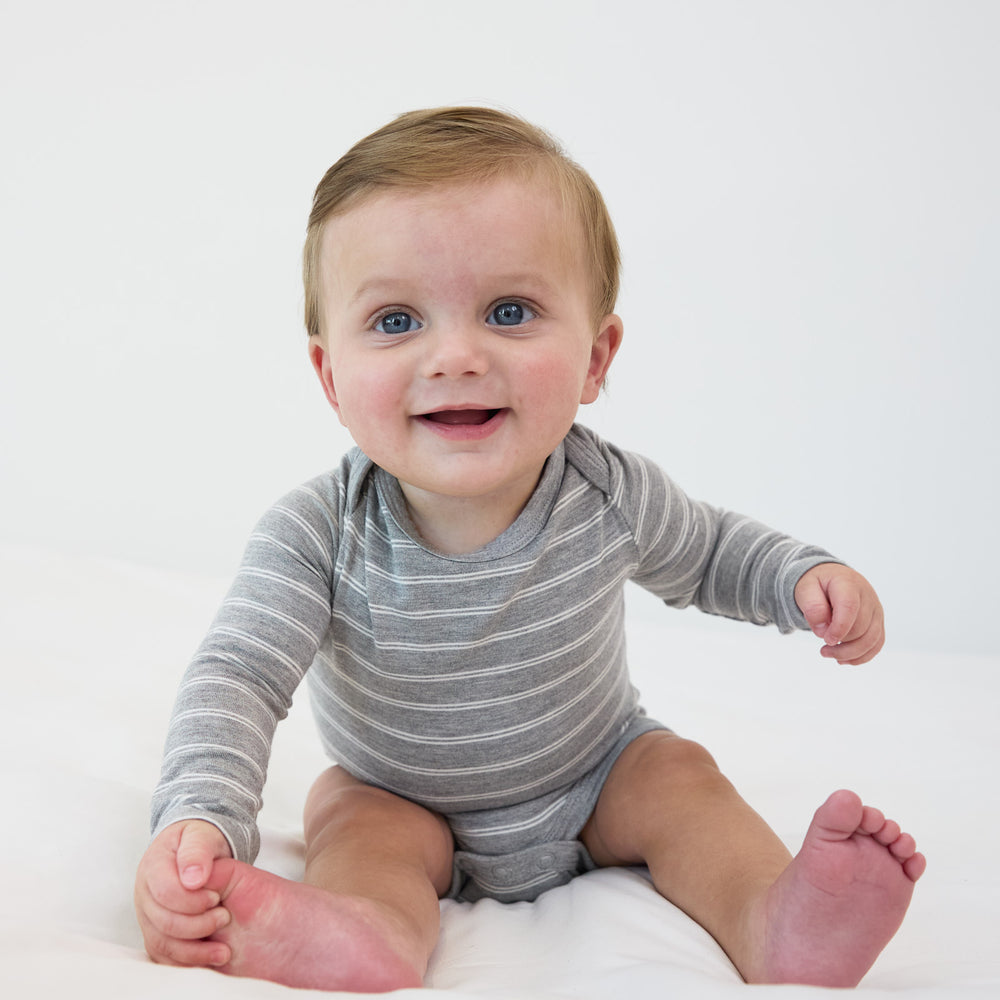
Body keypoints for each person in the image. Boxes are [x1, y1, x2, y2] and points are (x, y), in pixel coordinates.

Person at [134, 106, 924, 992]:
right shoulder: (318, 532)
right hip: (400, 795)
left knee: (680, 775)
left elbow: (706, 553)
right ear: (329, 377)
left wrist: (800, 576)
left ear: (596, 356)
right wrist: (201, 817)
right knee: (351, 824)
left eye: (509, 311)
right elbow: (237, 674)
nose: (457, 355)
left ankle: (773, 919)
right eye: (396, 321)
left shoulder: (608, 492)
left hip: (596, 773)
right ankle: (370, 934)